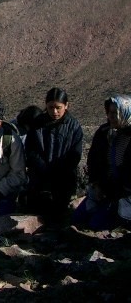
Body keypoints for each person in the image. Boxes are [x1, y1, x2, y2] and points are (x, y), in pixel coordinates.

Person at [73, 94, 131, 230]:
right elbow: (93, 160)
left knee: (97, 224)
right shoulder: (104, 132)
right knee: (77, 218)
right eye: (109, 112)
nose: (110, 116)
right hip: (103, 187)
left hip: (123, 193)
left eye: (115, 113)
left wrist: (117, 192)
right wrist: (96, 183)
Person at [23, 88, 84, 215]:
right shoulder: (37, 123)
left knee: (59, 215)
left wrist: (59, 170)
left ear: (66, 105)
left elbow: (74, 154)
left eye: (58, 107)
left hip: (63, 179)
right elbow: (31, 150)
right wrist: (43, 168)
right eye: (50, 107)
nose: (54, 111)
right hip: (39, 177)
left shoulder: (73, 126)